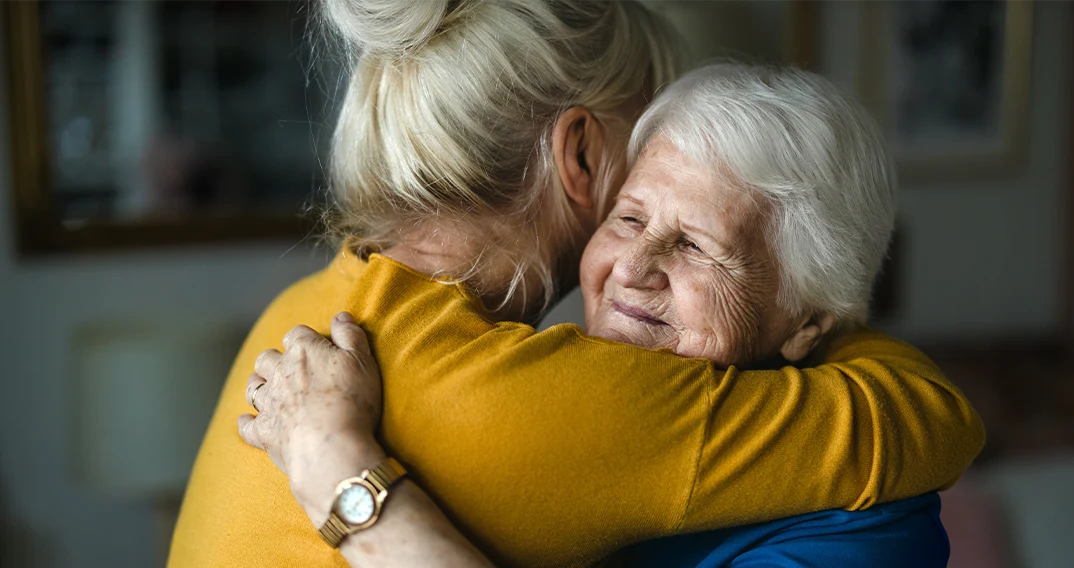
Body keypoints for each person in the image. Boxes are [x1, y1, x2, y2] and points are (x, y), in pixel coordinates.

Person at [168, 3, 983, 567]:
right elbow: (925, 422)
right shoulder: (561, 404)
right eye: (630, 211)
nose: (633, 263)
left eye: (698, 244)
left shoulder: (304, 310)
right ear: (585, 155)